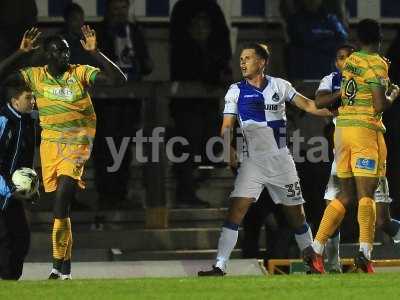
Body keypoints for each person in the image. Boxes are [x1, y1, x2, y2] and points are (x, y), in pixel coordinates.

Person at [0, 26, 127, 279]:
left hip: (77, 143)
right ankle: (63, 267)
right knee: (61, 209)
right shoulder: (34, 76)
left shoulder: (79, 73)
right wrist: (20, 52)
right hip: (49, 146)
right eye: (59, 52)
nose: (65, 56)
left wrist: (96, 52)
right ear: (47, 55)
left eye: (67, 51)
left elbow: (118, 80)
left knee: (62, 200)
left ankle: (59, 268)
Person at [198, 43, 332, 276]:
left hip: (281, 160)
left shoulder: (281, 85)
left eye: (247, 58)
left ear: (262, 62)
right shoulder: (235, 90)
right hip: (253, 162)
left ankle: (313, 262)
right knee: (236, 212)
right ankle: (219, 265)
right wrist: (229, 148)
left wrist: (336, 112)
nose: (242, 62)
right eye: (241, 58)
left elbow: (310, 105)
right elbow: (227, 126)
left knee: (297, 216)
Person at [305, 19, 400, 274]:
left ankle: (315, 248)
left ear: (358, 40)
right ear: (380, 37)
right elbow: (379, 105)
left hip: (342, 130)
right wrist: (393, 93)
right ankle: (365, 253)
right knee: (366, 194)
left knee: (344, 195)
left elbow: (357, 89)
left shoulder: (352, 61)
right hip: (364, 132)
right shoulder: (377, 64)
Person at [170, 0, 232, 208]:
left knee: (210, 146)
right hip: (187, 102)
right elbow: (182, 59)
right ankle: (186, 190)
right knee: (188, 144)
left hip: (207, 101)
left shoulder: (211, 9)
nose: (201, 29)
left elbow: (224, 50)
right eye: (197, 26)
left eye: (204, 26)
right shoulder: (182, 12)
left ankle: (191, 183)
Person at [93, 0, 153, 210]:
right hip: (106, 98)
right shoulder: (99, 32)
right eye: (115, 8)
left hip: (131, 95)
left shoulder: (134, 30)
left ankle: (120, 192)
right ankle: (106, 193)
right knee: (105, 145)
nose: (119, 13)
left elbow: (146, 62)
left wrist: (143, 64)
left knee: (124, 146)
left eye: (123, 8)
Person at [0, 83, 36, 280]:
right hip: (3, 192)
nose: (33, 102)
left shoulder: (27, 122)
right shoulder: (4, 121)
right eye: (28, 98)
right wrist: (7, 189)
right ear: (14, 101)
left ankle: (11, 282)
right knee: (7, 242)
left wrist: (29, 187)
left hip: (11, 194)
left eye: (33, 98)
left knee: (21, 240)